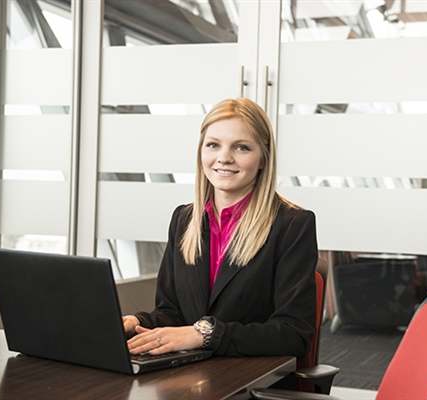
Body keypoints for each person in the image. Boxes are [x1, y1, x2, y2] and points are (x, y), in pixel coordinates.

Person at [123, 98, 318, 359]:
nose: (224, 158)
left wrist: (204, 334)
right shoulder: (184, 220)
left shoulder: (292, 225)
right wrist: (134, 322)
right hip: (189, 374)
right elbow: (172, 314)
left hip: (245, 378)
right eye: (213, 145)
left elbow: (293, 333)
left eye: (241, 147)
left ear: (263, 159)